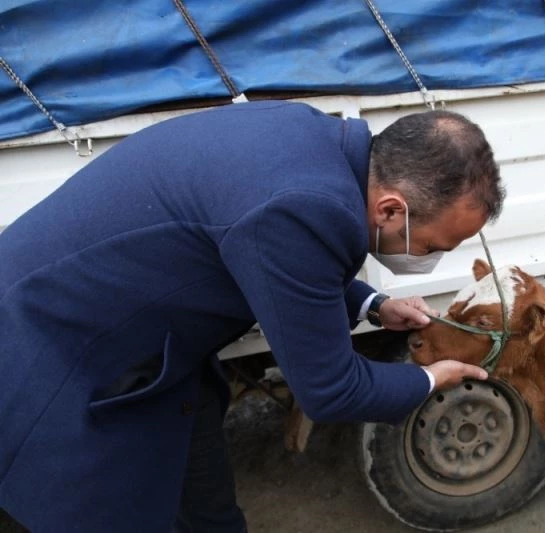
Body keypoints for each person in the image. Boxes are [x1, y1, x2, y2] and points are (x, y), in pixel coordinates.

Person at [0, 101, 505, 533]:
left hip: (159, 354)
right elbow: (331, 390)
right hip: (62, 359)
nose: (432, 257)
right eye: (435, 245)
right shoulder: (302, 206)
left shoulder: (316, 141)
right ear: (392, 210)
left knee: (208, 510)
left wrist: (373, 305)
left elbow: (275, 259)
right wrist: (427, 379)